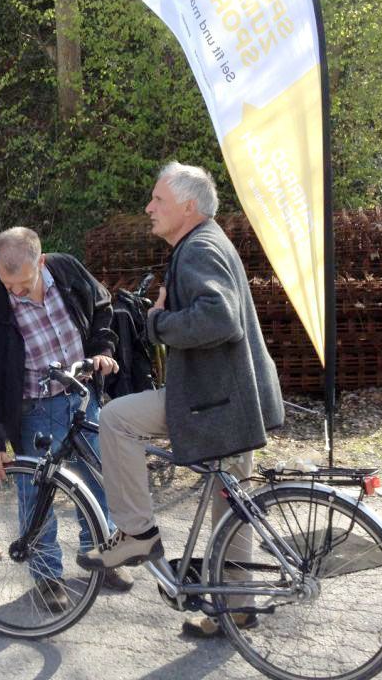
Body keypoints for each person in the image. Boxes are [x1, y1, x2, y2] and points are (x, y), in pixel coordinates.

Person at [80, 161, 284, 638]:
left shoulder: (199, 249)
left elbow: (219, 319)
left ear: (188, 207)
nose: (149, 207)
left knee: (116, 418)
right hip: (233, 397)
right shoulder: (208, 240)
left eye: (158, 200)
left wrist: (158, 322)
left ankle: (135, 533)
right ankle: (236, 607)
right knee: (232, 506)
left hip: (215, 400)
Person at [0, 227, 135, 608]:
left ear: (41, 262)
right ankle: (46, 576)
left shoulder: (66, 270)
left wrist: (102, 349)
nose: (16, 292)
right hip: (33, 410)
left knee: (99, 481)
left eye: (23, 284)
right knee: (37, 494)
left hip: (82, 398)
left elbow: (102, 305)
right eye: (8, 284)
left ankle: (102, 556)